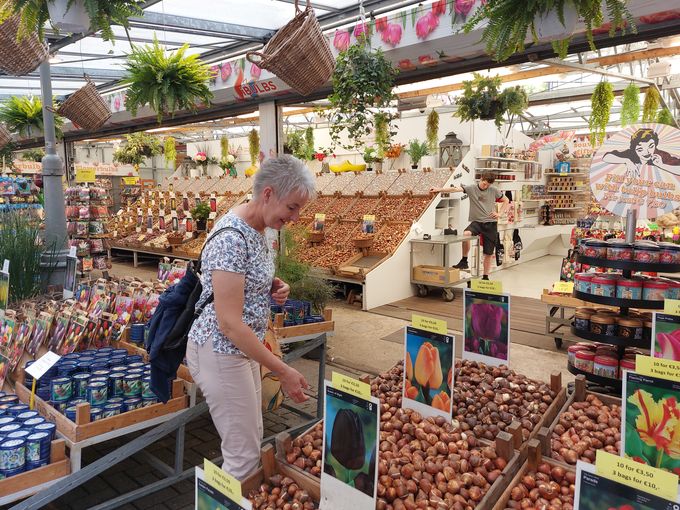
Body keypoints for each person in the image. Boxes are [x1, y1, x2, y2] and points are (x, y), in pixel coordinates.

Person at [186, 155, 316, 479]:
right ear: (269, 194)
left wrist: (271, 285)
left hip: (240, 351)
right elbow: (228, 323)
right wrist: (282, 370)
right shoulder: (232, 236)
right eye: (293, 207)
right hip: (221, 351)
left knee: (250, 440)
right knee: (242, 457)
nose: (296, 217)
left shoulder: (256, 228)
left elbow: (240, 279)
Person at [431, 171, 509, 280]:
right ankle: (464, 260)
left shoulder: (494, 190)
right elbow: (455, 189)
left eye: (488, 185)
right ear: (481, 179)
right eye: (484, 183)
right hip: (476, 222)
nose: (485, 186)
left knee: (488, 253)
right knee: (466, 233)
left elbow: (506, 200)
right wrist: (439, 189)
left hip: (490, 224)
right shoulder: (471, 188)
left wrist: (499, 213)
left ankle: (485, 277)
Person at [603, 128, 680, 178]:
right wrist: (627, 161)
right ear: (634, 148)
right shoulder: (631, 154)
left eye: (651, 146)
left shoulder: (661, 155)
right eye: (640, 149)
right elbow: (606, 157)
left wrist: (662, 165)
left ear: (655, 145)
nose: (646, 152)